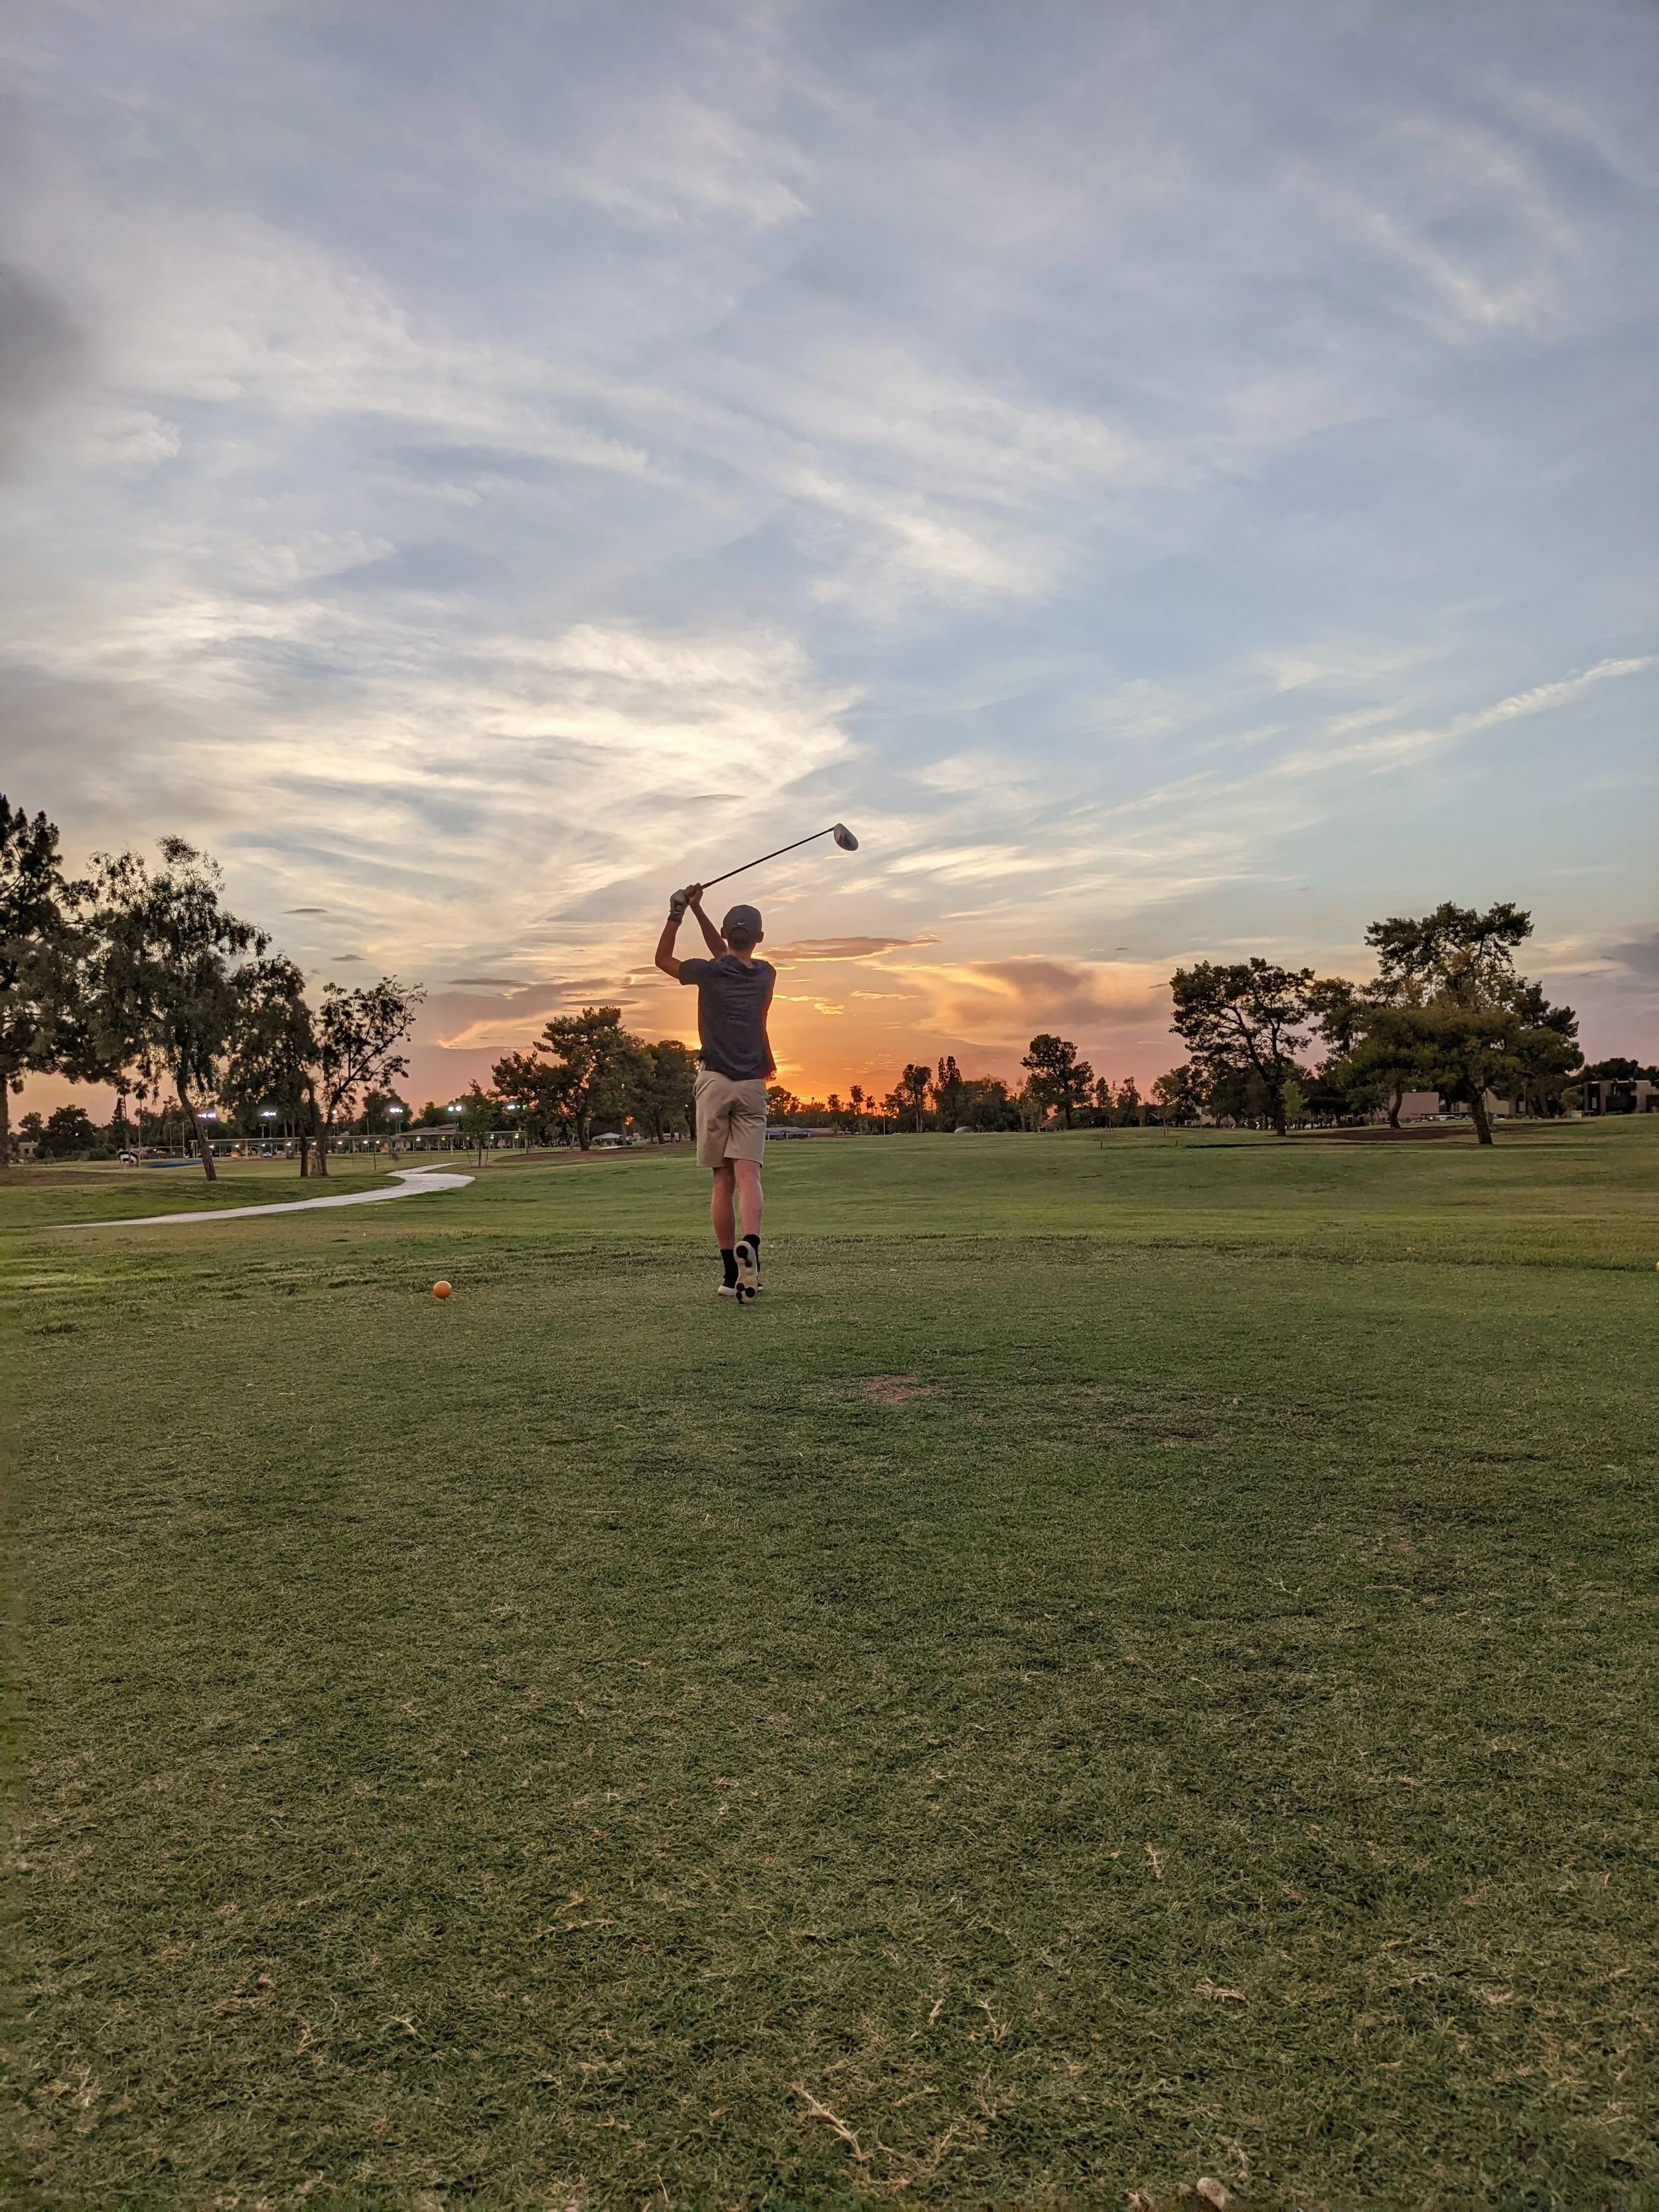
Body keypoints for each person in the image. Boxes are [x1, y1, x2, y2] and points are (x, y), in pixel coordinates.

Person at [654, 885, 775, 1301]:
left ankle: (729, 1275)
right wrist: (700, 910)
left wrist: (679, 912)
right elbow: (726, 954)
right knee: (749, 1174)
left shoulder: (709, 972)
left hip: (714, 1082)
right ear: (759, 938)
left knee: (722, 1179)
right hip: (752, 1084)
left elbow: (663, 960)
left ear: (725, 936)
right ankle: (752, 1248)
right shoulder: (765, 974)